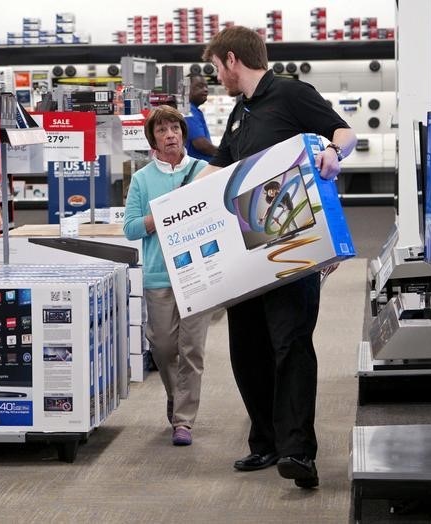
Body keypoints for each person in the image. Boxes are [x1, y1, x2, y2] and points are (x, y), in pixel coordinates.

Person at [198, 26, 356, 488]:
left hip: (292, 247)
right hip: (245, 251)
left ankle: (298, 453)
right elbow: (218, 168)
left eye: (215, 68)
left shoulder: (289, 93)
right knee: (247, 349)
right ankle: (265, 441)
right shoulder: (240, 112)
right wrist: (174, 205)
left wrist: (332, 152)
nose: (215, 77)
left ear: (231, 60)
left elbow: (343, 133)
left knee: (290, 343)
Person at [123, 105, 212, 447]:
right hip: (160, 276)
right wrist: (161, 216)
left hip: (198, 271)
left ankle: (184, 420)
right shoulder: (143, 179)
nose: (170, 134)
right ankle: (177, 397)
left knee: (192, 349)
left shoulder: (204, 169)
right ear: (154, 141)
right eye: (162, 130)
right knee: (162, 347)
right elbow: (131, 229)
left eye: (175, 128)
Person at [185, 73, 218, 162]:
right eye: (200, 86)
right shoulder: (188, 110)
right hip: (198, 170)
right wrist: (225, 155)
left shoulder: (194, 110)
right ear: (186, 89)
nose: (205, 90)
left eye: (206, 87)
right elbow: (201, 144)